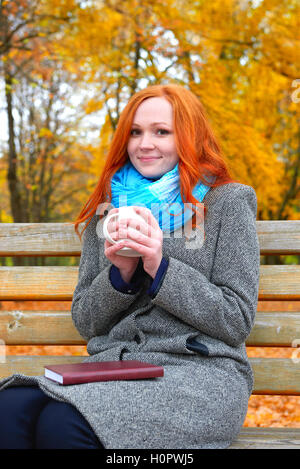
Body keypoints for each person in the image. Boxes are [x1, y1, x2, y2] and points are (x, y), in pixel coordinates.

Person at [0, 84, 260, 449]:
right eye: (135, 132)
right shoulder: (109, 210)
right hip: (114, 368)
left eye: (161, 132)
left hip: (200, 374)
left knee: (64, 426)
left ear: (190, 137)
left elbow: (235, 319)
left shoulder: (227, 202)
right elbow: (87, 322)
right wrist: (118, 274)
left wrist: (159, 265)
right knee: (8, 409)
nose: (144, 144)